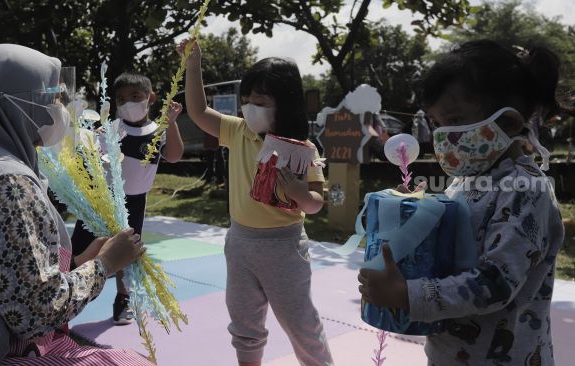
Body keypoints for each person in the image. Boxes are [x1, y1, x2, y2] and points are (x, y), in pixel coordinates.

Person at [0, 44, 153, 366]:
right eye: (53, 96)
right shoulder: (8, 183)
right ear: (18, 105)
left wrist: (80, 263)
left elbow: (6, 277)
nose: (60, 107)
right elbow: (35, 315)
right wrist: (105, 265)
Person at [358, 40, 564, 365]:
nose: (443, 137)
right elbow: (449, 238)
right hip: (447, 353)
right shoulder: (468, 177)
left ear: (507, 123)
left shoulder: (526, 189)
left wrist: (405, 295)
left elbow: (494, 282)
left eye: (454, 121)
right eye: (438, 125)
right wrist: (405, 214)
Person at [180, 40, 334, 366]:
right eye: (246, 100)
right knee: (244, 322)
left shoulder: (304, 149)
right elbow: (197, 111)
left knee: (300, 322)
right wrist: (193, 67)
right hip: (239, 244)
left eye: (259, 101)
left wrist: (301, 195)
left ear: (286, 103)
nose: (249, 108)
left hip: (284, 249)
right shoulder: (237, 131)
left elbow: (317, 203)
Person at [70, 71, 184, 325]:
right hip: (101, 201)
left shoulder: (158, 131)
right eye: (121, 99)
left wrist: (172, 122)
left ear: (151, 97)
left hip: (134, 202)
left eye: (135, 96)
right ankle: (64, 293)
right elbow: (89, 163)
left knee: (128, 252)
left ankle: (123, 299)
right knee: (81, 247)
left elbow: (174, 156)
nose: (128, 103)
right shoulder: (110, 129)